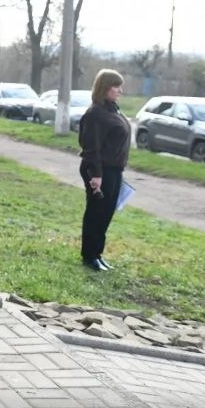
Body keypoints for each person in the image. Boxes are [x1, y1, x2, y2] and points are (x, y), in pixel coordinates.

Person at [77, 68, 131, 272]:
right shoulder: (95, 113)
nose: (119, 90)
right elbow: (91, 148)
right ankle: (89, 255)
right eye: (116, 86)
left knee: (107, 212)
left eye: (120, 86)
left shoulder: (112, 109)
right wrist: (96, 175)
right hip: (99, 170)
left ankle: (97, 254)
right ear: (105, 87)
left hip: (114, 170)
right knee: (96, 212)